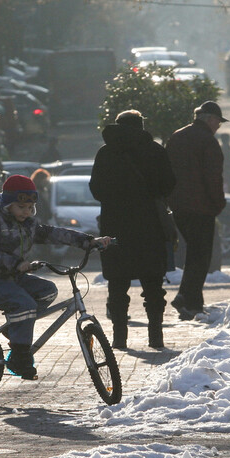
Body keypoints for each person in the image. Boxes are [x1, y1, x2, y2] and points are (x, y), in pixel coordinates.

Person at [0, 175, 110, 379]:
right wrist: (17, 264)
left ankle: (16, 328)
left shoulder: (28, 224)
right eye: (21, 207)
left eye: (30, 208)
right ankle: (19, 358)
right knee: (25, 304)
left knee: (47, 291)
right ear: (8, 205)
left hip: (13, 277)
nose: (26, 212)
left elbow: (55, 233)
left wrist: (88, 241)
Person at [89, 110, 176, 349]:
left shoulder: (106, 153)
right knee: (153, 286)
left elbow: (96, 189)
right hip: (150, 227)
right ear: (141, 125)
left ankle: (119, 338)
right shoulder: (155, 151)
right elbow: (169, 183)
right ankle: (156, 337)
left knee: (117, 284)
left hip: (115, 229)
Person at [165, 101, 226, 320]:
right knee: (201, 256)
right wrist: (218, 204)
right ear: (210, 119)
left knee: (194, 254)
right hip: (202, 207)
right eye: (218, 121)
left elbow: (167, 171)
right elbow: (213, 178)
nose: (218, 126)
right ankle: (186, 298)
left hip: (179, 206)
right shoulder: (208, 142)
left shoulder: (177, 137)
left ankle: (192, 302)